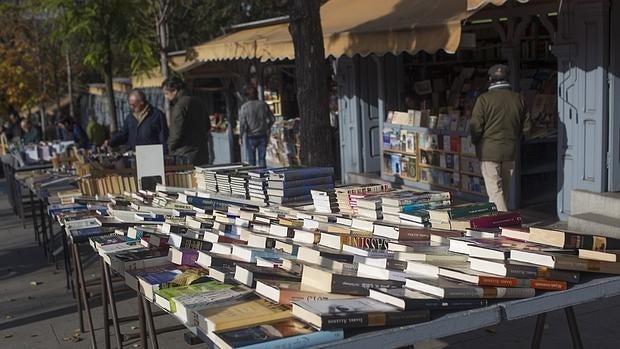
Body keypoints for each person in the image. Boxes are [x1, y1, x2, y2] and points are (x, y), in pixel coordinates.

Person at [470, 64, 532, 211]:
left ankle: (503, 223)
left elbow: (475, 128)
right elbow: (527, 128)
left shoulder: (483, 100)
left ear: (491, 79)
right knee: (503, 191)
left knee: (495, 191)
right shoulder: (519, 99)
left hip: (489, 151)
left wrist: (476, 142)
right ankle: (499, 221)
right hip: (510, 150)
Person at [161, 77, 210, 165]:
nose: (166, 97)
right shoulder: (199, 101)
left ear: (174, 91)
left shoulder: (180, 106)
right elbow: (207, 125)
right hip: (202, 153)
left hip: (185, 155)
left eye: (167, 93)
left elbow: (176, 134)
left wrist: (169, 149)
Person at [103, 89, 169, 152]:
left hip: (151, 155)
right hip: (134, 155)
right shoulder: (130, 117)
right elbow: (123, 135)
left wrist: (165, 155)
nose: (131, 107)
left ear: (141, 102)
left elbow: (163, 137)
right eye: (130, 105)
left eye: (133, 105)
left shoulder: (157, 115)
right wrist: (110, 141)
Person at [238, 86, 275, 167]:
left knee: (251, 161)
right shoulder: (263, 104)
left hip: (251, 135)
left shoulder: (244, 107)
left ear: (247, 96)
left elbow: (242, 124)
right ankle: (264, 177)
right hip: (262, 134)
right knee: (262, 159)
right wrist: (267, 127)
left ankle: (253, 178)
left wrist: (240, 136)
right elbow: (272, 119)